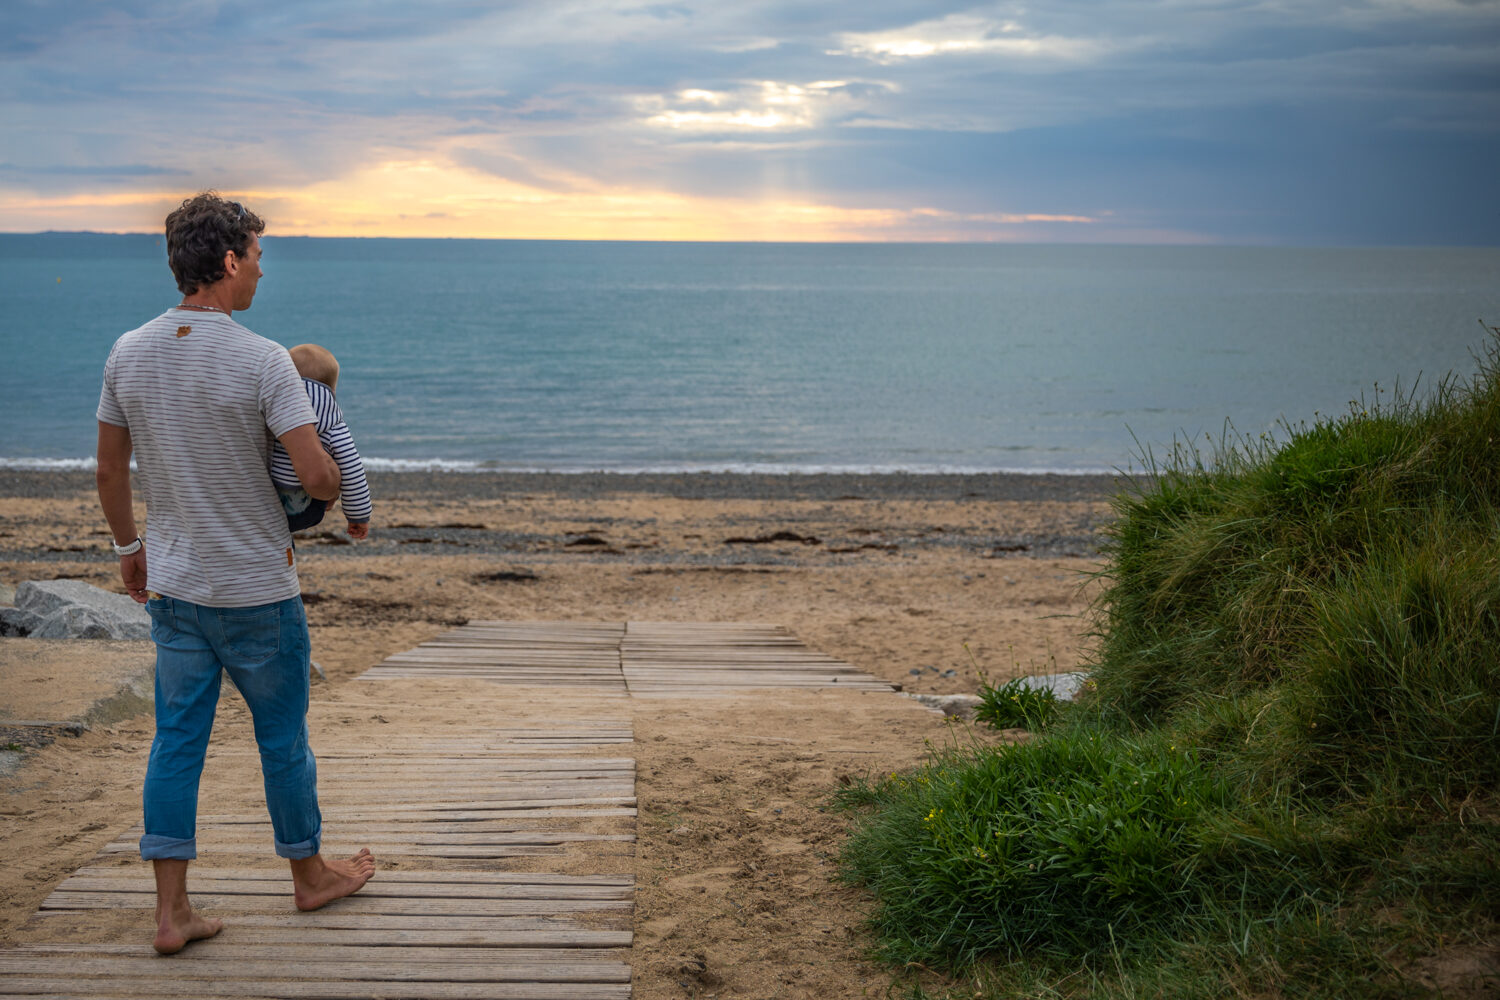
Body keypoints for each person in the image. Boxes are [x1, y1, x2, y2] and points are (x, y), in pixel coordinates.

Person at [95, 192, 376, 955]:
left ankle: (172, 911)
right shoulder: (263, 359)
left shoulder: (128, 350)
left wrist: (130, 551)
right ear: (227, 261)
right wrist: (320, 474)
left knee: (175, 741)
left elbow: (112, 470)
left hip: (176, 586)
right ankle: (310, 877)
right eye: (256, 255)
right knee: (282, 739)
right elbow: (319, 477)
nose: (260, 270)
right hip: (257, 588)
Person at [269, 343, 373, 536]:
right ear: (332, 389)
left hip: (260, 500)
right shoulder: (334, 424)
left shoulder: (271, 407)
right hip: (302, 511)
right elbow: (353, 470)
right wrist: (358, 516)